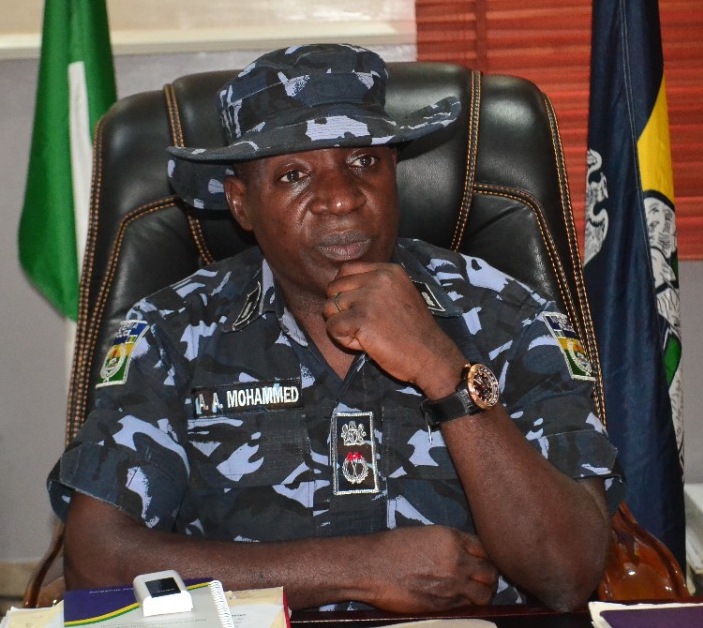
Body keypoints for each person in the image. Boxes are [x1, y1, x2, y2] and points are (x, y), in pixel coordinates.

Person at [49, 43, 622, 613]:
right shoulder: (172, 333)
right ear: (241, 204)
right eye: (293, 175)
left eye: (364, 162)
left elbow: (567, 576)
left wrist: (443, 368)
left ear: (394, 170)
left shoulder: (507, 315)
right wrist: (356, 569)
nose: (342, 199)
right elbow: (96, 563)